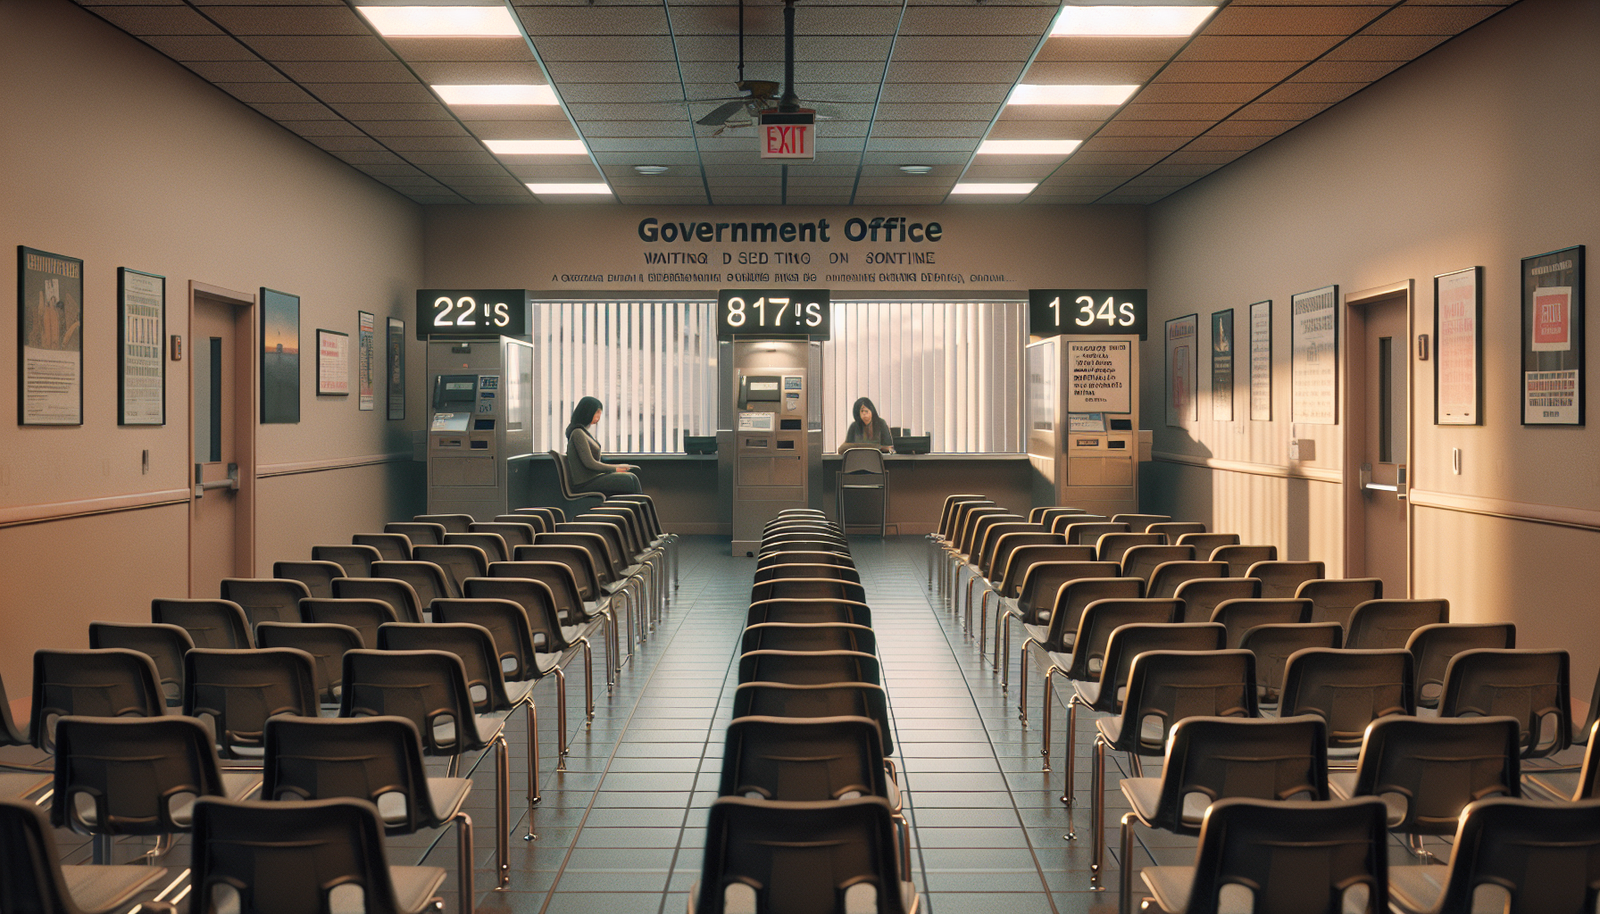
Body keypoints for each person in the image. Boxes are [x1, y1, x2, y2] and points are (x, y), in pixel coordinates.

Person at [565, 396, 642, 495]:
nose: (599, 416)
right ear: (588, 412)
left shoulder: (583, 432)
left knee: (632, 478)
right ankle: (640, 504)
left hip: (591, 478)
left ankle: (640, 504)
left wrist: (617, 466)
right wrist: (615, 468)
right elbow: (590, 463)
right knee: (630, 479)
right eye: (597, 412)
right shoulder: (578, 433)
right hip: (585, 483)